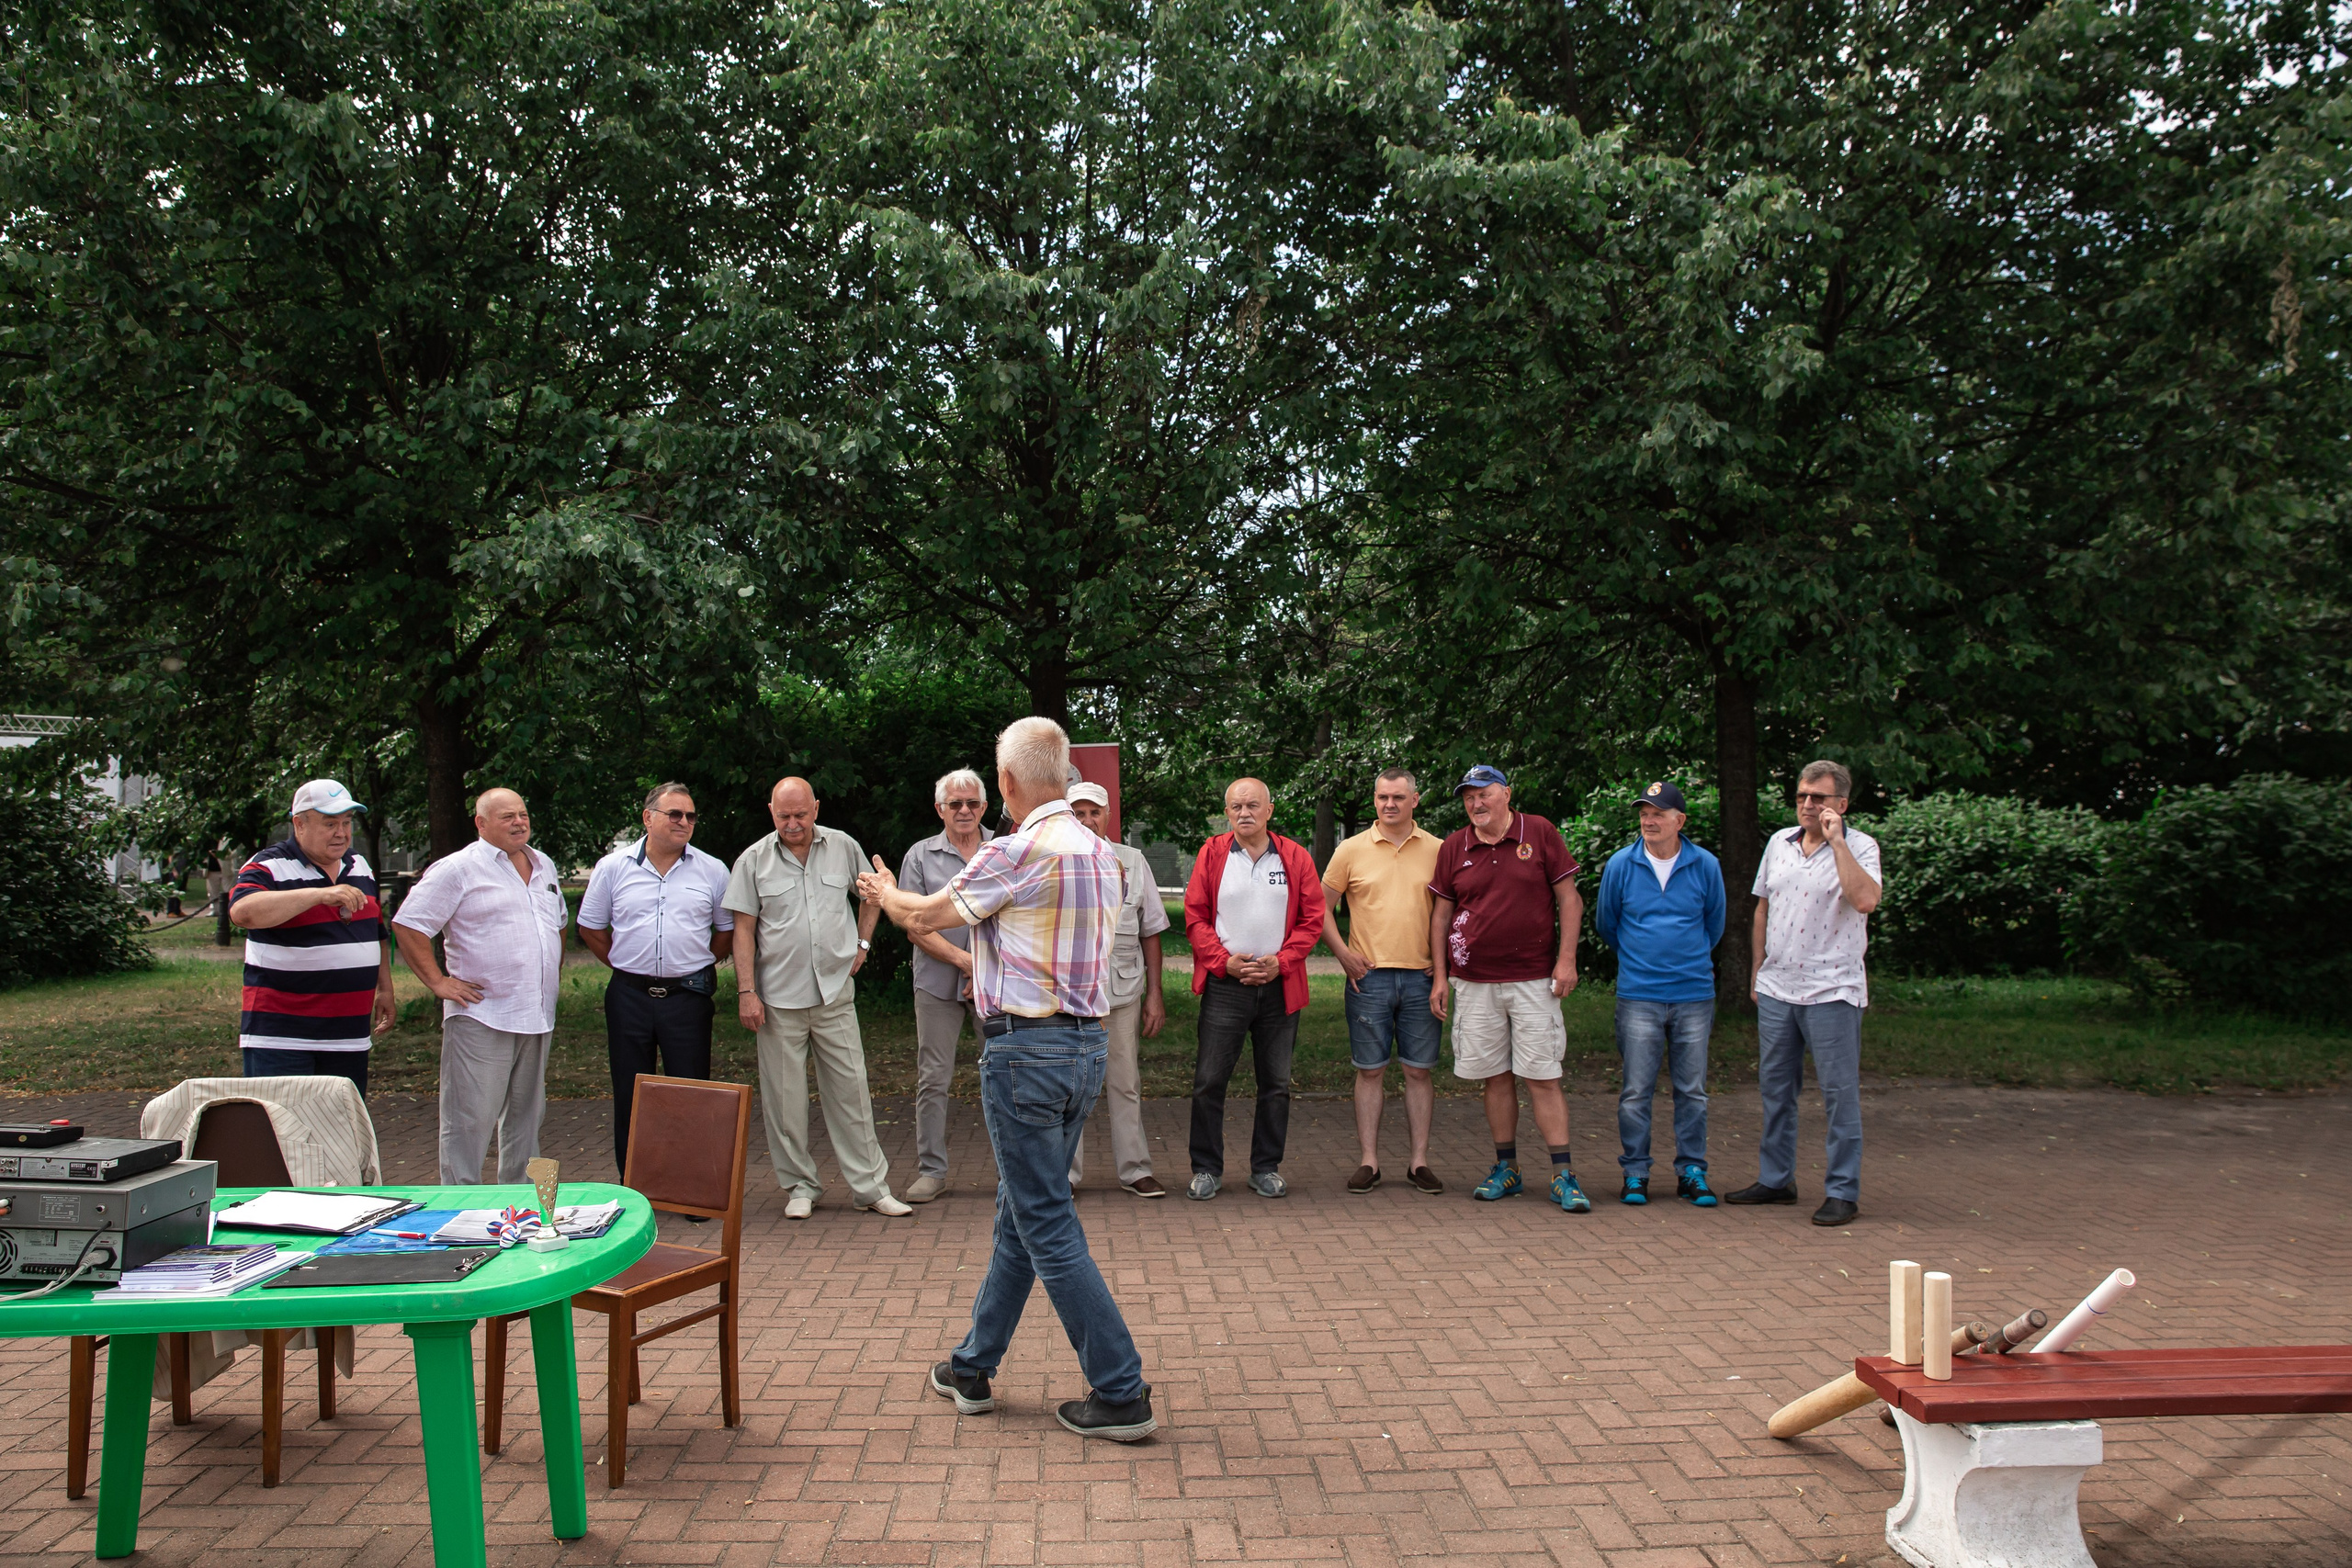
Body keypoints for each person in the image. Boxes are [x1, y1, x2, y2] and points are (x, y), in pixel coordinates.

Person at [857, 716, 1155, 1440]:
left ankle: (1121, 1388)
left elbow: (928, 914)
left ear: (1008, 783)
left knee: (1044, 1219)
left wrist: (885, 891)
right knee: (1022, 1210)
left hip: (1026, 1052)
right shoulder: (1101, 851)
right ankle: (972, 1365)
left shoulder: (1016, 851)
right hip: (1085, 1049)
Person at [723, 777, 910, 1219]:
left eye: (801, 814)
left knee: (852, 1094)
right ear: (771, 812)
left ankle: (871, 1189)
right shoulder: (752, 860)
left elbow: (872, 894)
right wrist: (746, 992)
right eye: (784, 816)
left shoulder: (843, 846)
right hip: (778, 1001)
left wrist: (863, 943)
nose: (793, 823)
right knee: (784, 1101)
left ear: (816, 808)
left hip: (834, 995)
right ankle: (800, 1187)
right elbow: (743, 931)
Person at [1726, 760, 1883, 1227]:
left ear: (1841, 804)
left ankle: (1842, 1192)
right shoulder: (1779, 842)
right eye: (1801, 796)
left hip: (1833, 989)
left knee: (1838, 1094)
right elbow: (1763, 908)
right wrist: (1757, 970)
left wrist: (1837, 843)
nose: (1808, 804)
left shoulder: (1861, 846)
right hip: (1778, 988)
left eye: (1818, 797)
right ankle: (1776, 1180)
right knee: (1776, 1090)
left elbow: (1865, 900)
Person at [1428, 765, 1589, 1212]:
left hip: (1534, 980)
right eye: (1468, 797)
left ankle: (1563, 1174)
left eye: (1484, 794)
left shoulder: (1538, 831)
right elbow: (1441, 915)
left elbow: (1569, 898)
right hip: (1474, 982)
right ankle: (1507, 1168)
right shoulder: (1454, 846)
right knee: (1495, 1077)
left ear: (1506, 794)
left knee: (1543, 1076)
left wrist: (1567, 960)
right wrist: (1441, 976)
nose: (1476, 803)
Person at [391, 788, 564, 1183]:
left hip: (536, 1014)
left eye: (523, 814)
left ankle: (520, 1204)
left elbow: (558, 924)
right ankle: (460, 1204)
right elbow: (409, 924)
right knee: (469, 1123)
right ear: (481, 824)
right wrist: (438, 982)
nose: (519, 822)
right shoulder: (458, 868)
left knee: (526, 1121)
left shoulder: (544, 865)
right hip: (482, 1014)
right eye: (507, 817)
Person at [576, 783, 735, 1172]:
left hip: (688, 998)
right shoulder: (612, 868)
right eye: (674, 814)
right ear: (648, 818)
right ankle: (635, 1186)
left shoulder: (713, 870)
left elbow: (726, 931)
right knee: (631, 1096)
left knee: (693, 1096)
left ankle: (690, 1187)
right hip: (628, 997)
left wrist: (695, 962)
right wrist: (625, 964)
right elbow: (590, 928)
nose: (684, 822)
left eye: (691, 816)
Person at [1181, 777, 1325, 1201]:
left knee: (1276, 1084)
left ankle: (1266, 1168)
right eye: (1236, 806)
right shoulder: (1212, 854)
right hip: (1226, 985)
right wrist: (1223, 961)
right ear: (1227, 813)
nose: (1245, 813)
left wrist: (1281, 963)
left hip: (1280, 986)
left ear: (1269, 810)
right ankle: (1206, 1169)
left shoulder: (1295, 856)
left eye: (1253, 805)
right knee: (1209, 1081)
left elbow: (1312, 919)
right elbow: (1195, 916)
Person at [1592, 781, 1725, 1207]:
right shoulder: (1621, 864)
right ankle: (1635, 1173)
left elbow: (1715, 925)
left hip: (1694, 995)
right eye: (1644, 814)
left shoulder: (1705, 865)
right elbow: (1607, 923)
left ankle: (1692, 1172)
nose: (1649, 821)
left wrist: (1684, 959)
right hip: (1639, 994)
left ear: (1679, 820)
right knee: (1636, 1091)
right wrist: (1642, 958)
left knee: (1693, 1091)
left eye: (1658, 814)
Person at [1320, 767, 1445, 1195]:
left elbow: (1453, 912)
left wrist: (1443, 965)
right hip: (1368, 979)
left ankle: (1419, 1162)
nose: (1389, 804)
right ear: (1375, 800)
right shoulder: (1350, 850)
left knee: (1418, 1072)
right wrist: (1343, 954)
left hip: (1422, 978)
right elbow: (1319, 908)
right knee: (1370, 1071)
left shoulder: (1439, 850)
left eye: (1398, 797)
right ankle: (1369, 1162)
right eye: (1382, 797)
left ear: (1415, 800)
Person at [229, 779, 398, 1094]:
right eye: (330, 823)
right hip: (283, 1038)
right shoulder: (269, 865)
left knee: (340, 1123)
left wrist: (385, 989)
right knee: (283, 1123)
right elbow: (243, 912)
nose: (341, 833)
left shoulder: (358, 865)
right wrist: (318, 895)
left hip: (348, 1036)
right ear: (299, 824)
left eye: (347, 822)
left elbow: (375, 932)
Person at [1067, 780, 1170, 1197]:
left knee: (1126, 1083)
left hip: (1121, 995)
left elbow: (1151, 931)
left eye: (1095, 812)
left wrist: (1155, 994)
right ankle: (1064, 1175)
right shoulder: (1053, 860)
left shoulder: (1132, 860)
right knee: (1069, 1087)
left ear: (1108, 816)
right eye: (1079, 813)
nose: (1088, 820)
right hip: (1069, 997)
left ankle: (1135, 1169)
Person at [897, 768, 994, 1204]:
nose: (964, 810)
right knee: (933, 1078)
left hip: (995, 984)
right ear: (940, 809)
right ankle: (931, 1171)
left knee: (1003, 1077)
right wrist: (963, 961)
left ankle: (1012, 1173)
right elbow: (913, 922)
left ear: (985, 807)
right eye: (955, 803)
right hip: (937, 983)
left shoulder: (1004, 849)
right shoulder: (920, 856)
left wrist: (983, 968)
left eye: (972, 803)